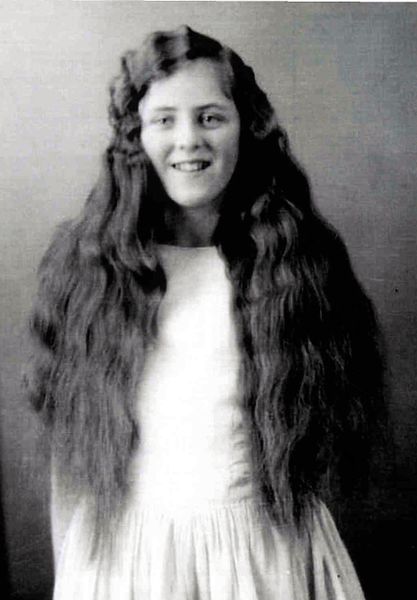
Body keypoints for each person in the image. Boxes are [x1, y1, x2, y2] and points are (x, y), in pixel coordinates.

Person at [26, 25, 383, 599]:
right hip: (128, 563)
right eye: (165, 120)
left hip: (262, 559)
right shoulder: (91, 272)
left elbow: (311, 449)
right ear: (135, 136)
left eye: (210, 117)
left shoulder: (296, 266)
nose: (188, 140)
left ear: (246, 127)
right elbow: (72, 463)